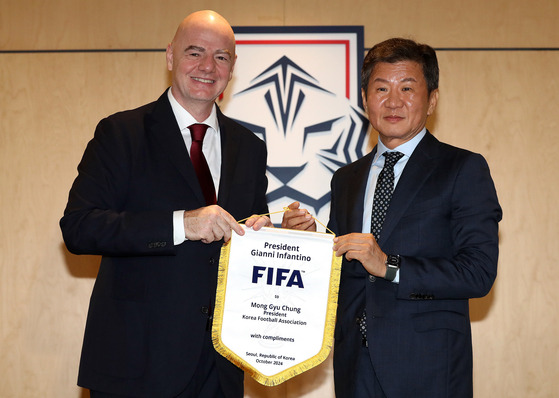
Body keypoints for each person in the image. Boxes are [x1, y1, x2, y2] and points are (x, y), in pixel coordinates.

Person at [60, 10, 272, 398]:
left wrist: (275, 233)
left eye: (221, 56)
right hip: (136, 364)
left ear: (233, 66)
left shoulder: (250, 148)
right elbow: (79, 227)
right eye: (195, 52)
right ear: (171, 56)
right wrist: (182, 224)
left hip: (220, 369)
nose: (208, 66)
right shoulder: (120, 133)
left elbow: (245, 238)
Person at [283, 38, 502, 397]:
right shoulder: (347, 178)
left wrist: (389, 264)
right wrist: (307, 242)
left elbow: (478, 273)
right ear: (365, 99)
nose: (393, 101)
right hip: (355, 366)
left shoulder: (463, 168)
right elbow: (343, 272)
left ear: (432, 99)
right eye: (381, 88)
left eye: (407, 88)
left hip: (428, 368)